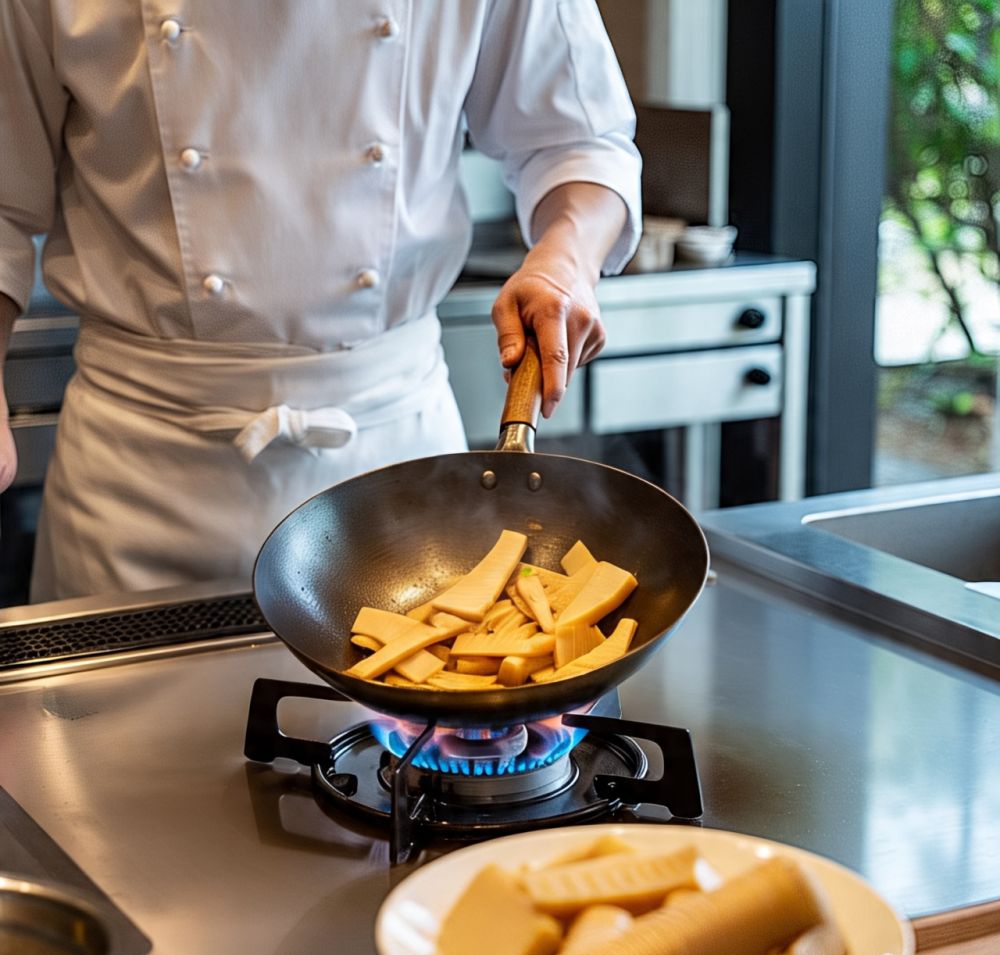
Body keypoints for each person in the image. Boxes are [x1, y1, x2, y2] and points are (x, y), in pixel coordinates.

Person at [0, 2, 641, 602]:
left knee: (410, 720)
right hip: (137, 481)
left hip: (400, 484)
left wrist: (566, 259)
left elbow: (579, 145)